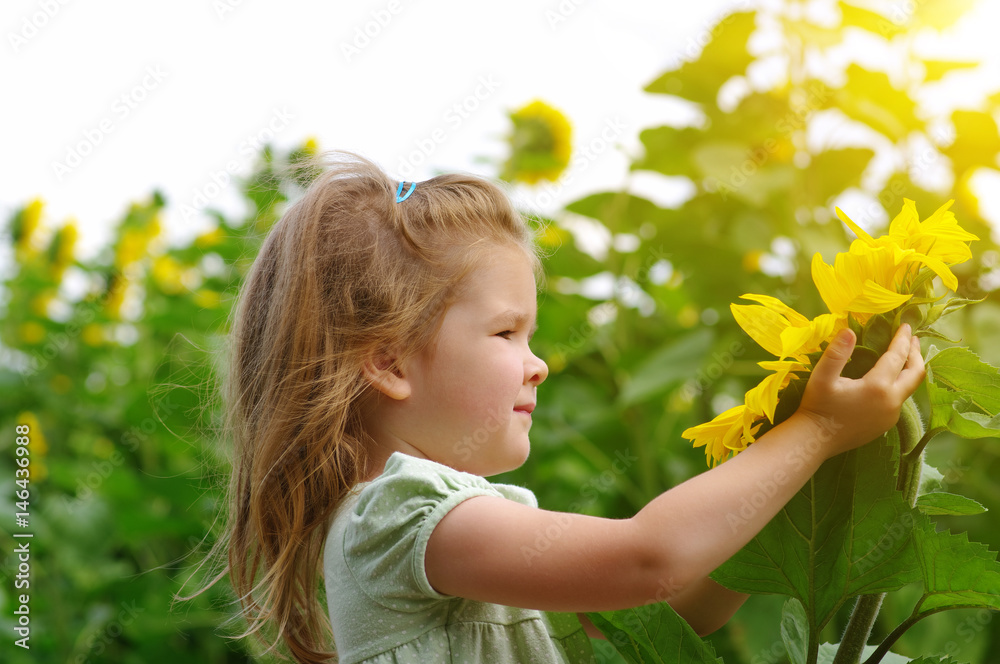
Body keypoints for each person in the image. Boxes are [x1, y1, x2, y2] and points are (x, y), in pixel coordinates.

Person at [176, 150, 926, 664]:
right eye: (507, 332)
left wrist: (778, 483)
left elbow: (660, 619)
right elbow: (649, 560)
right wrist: (818, 430)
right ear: (388, 361)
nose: (539, 364)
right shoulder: (397, 517)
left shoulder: (448, 521)